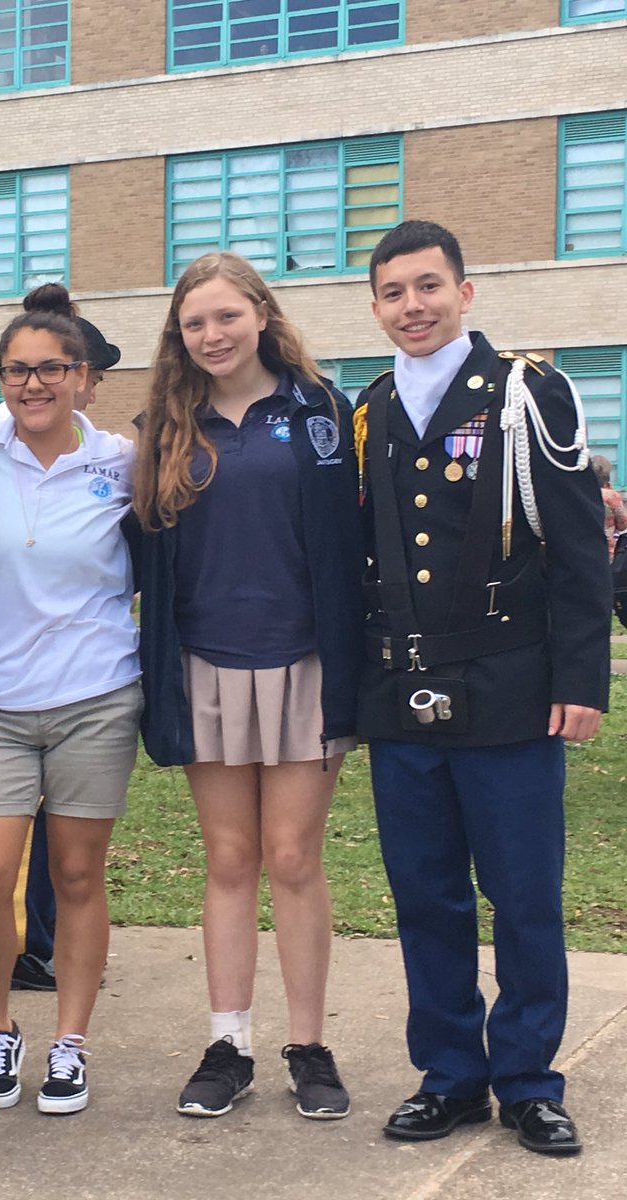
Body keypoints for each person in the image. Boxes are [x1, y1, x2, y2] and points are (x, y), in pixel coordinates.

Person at [356, 220, 610, 1156]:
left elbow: (578, 546)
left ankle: (531, 1082)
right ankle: (452, 1076)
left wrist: (581, 678)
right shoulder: (371, 407)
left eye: (429, 286)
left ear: (464, 293)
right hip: (404, 695)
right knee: (426, 896)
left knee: (523, 894)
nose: (413, 306)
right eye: (394, 292)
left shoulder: (525, 395)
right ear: (376, 307)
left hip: (510, 689)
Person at [134, 252, 366, 1122]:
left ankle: (309, 1047)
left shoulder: (323, 412)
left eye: (227, 316)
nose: (212, 334)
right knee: (230, 860)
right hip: (206, 664)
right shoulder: (165, 425)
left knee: (294, 858)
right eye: (194, 322)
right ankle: (228, 1044)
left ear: (262, 315)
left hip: (306, 661)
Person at [0, 291, 141, 1115]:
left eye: (51, 369)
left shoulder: (120, 463)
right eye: (16, 370)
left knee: (75, 875)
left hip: (95, 698)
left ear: (83, 377)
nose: (33, 384)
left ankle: (70, 1042)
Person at [8, 284, 123, 994]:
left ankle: (48, 941)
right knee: (18, 843)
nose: (91, 387)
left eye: (82, 372)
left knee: (69, 843)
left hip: (89, 690)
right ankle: (26, 945)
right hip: (8, 689)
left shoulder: (113, 460)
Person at [592, 455, 627, 560]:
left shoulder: (577, 493)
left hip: (579, 548)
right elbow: (623, 525)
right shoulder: (611, 496)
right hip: (605, 551)